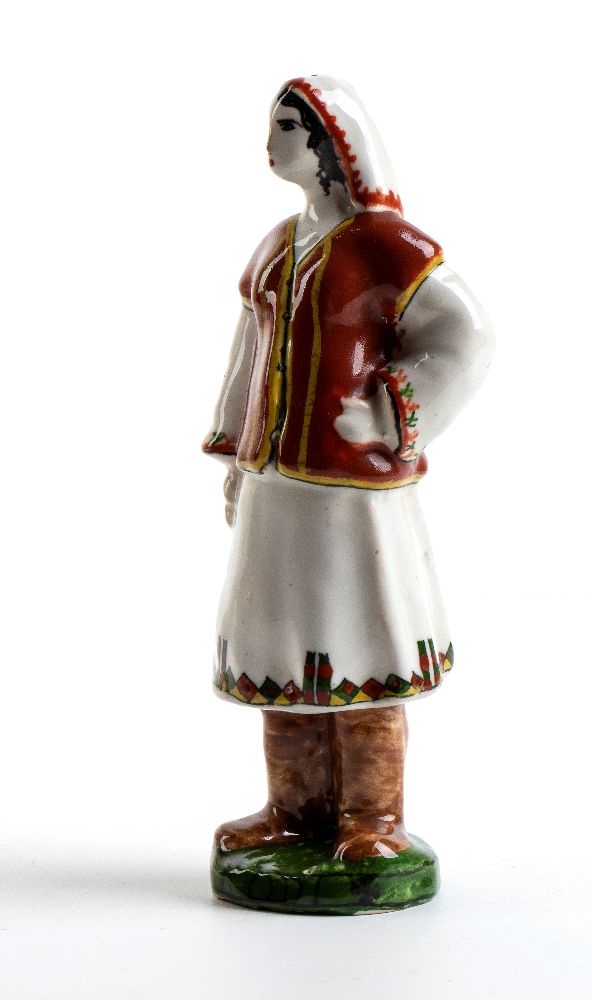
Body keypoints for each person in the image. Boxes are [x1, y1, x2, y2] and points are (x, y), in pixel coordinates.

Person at [203, 75, 494, 860]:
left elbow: (465, 337)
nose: (272, 142)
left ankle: (372, 820)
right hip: (276, 486)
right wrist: (236, 451)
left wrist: (390, 415)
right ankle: (293, 811)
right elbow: (250, 350)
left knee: (358, 650)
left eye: (288, 126)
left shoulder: (385, 245)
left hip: (351, 492)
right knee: (280, 651)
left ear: (333, 146)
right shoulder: (275, 245)